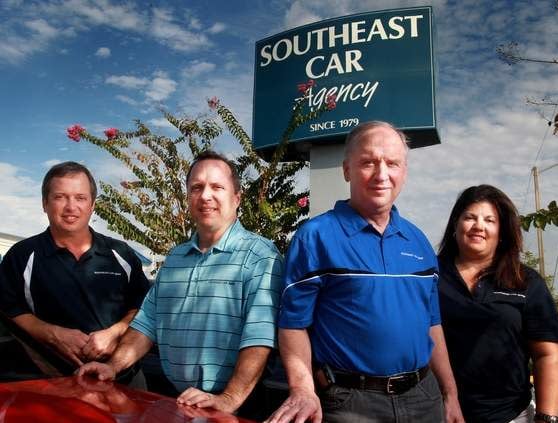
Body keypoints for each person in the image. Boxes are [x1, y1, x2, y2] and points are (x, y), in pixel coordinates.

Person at [266, 121, 464, 423]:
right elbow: (293, 324)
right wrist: (303, 389)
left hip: (424, 398)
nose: (381, 174)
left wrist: (450, 394)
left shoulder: (419, 242)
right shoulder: (315, 237)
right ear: (347, 170)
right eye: (368, 162)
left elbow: (432, 325)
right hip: (350, 404)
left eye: (392, 163)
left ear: (404, 172)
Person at [79, 150, 283, 418]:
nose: (205, 196)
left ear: (237, 198)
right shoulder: (176, 258)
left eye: (217, 187)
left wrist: (228, 399)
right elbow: (147, 323)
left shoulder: (260, 256)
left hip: (234, 405)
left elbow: (259, 336)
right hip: (178, 401)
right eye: (196, 187)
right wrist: (113, 367)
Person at [0, 161, 150, 378]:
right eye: (60, 197)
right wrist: (51, 333)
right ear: (44, 203)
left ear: (92, 205)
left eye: (80, 198)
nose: (71, 207)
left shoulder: (121, 253)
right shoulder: (22, 255)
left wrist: (115, 333)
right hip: (48, 381)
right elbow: (8, 308)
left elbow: (145, 307)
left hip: (122, 378)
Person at [437, 184, 558, 423]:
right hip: (442, 414)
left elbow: (547, 355)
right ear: (455, 226)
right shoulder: (430, 277)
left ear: (502, 231)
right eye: (469, 217)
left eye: (489, 220)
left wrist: (546, 417)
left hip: (512, 415)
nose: (478, 225)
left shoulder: (526, 281)